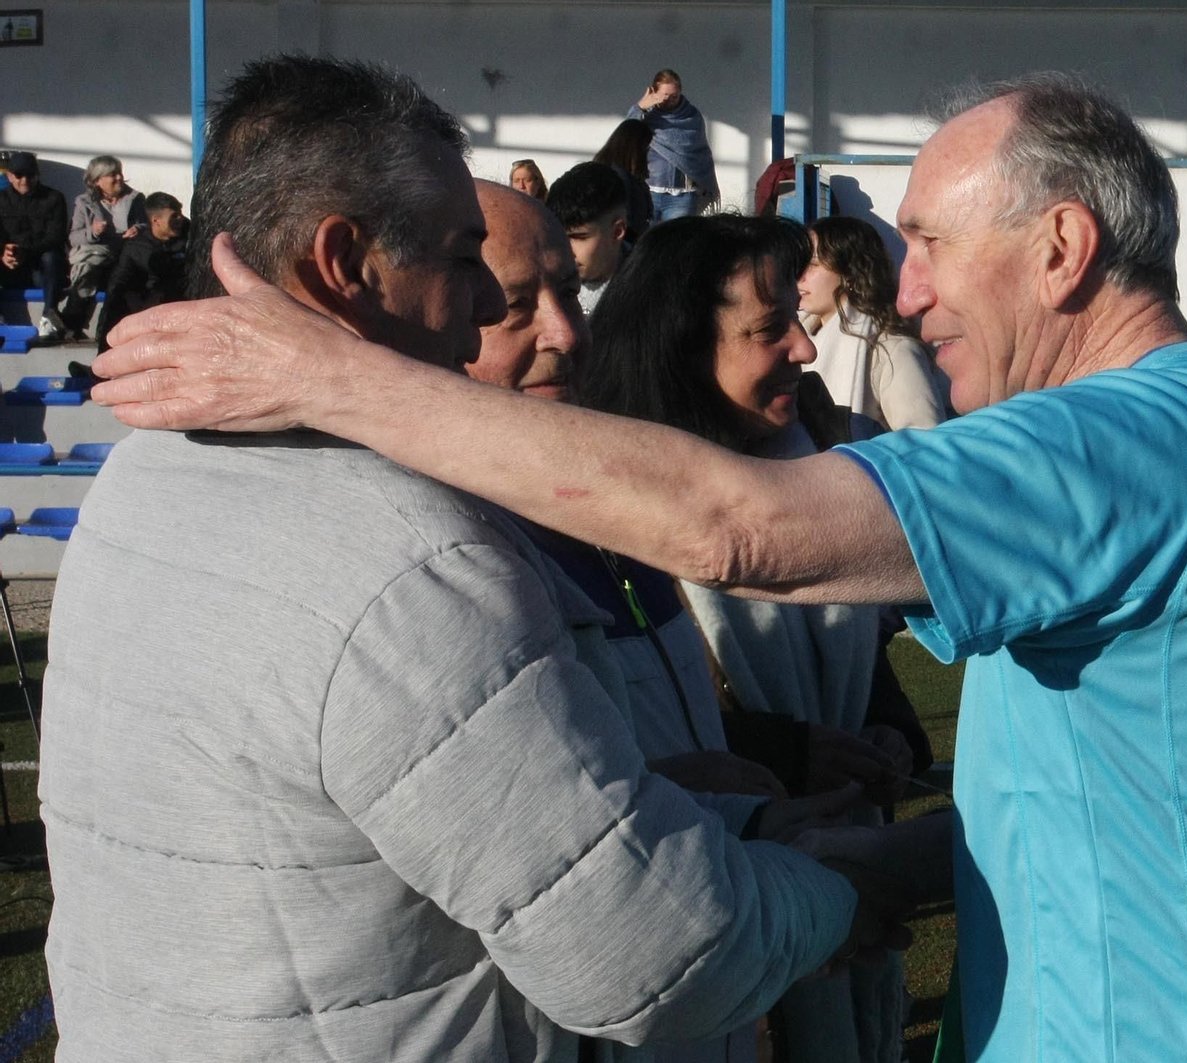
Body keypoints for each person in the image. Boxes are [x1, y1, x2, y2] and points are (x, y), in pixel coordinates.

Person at [94, 70, 1187, 1061]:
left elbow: (748, 532)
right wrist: (802, 846)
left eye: (934, 241)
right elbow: (1086, 810)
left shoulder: (1139, 437)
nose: (905, 291)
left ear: (1063, 247)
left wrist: (335, 378)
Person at [44, 55, 905, 1063]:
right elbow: (650, 954)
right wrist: (832, 897)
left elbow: (344, 827)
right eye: (465, 265)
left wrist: (667, 805)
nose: (498, 320)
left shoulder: (145, 473)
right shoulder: (410, 559)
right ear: (342, 261)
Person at [577, 213, 931, 1063]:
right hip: (715, 927)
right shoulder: (607, 519)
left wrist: (883, 733)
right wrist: (795, 750)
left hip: (823, 887)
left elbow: (852, 655)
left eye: (799, 323)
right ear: (680, 348)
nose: (806, 351)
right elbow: (617, 735)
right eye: (770, 330)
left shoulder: (812, 466)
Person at [798, 215, 946, 430]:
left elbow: (923, 439)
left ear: (849, 273)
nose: (799, 276)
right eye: (799, 264)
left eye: (812, 265)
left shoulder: (891, 348)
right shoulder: (797, 343)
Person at [64, 155, 149, 336]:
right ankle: (72, 324)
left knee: (120, 278)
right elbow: (74, 237)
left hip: (125, 254)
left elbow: (146, 224)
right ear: (97, 180)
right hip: (99, 254)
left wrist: (138, 229)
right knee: (87, 269)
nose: (119, 178)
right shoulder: (84, 202)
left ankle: (106, 331)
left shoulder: (135, 199)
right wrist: (92, 232)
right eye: (112, 174)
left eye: (119, 173)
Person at [93, 191, 187, 351]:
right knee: (119, 300)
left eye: (180, 213)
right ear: (155, 220)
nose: (180, 220)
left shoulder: (190, 237)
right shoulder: (137, 246)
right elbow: (118, 282)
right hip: (146, 306)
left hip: (179, 303)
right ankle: (102, 366)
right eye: (174, 216)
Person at [627, 69, 719, 221]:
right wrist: (640, 107)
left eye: (674, 96)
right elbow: (626, 134)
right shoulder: (645, 115)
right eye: (665, 95)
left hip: (682, 195)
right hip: (649, 191)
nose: (670, 100)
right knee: (648, 241)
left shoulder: (691, 116)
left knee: (675, 242)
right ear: (654, 92)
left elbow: (699, 153)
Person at [0, 151, 69, 342]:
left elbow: (56, 237)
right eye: (19, 175)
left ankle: (49, 315)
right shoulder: (1, 200)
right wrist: (3, 253)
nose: (24, 180)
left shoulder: (54, 198)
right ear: (9, 176)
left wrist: (25, 251)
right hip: (9, 266)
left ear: (37, 175)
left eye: (30, 175)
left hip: (41, 268)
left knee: (51, 257)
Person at [546, 162, 630, 317]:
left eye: (578, 237)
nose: (565, 250)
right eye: (558, 236)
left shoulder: (650, 291)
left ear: (617, 231)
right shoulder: (541, 282)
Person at [593, 118, 655, 243]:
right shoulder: (618, 178)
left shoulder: (626, 175)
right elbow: (625, 220)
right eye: (646, 149)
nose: (648, 154)